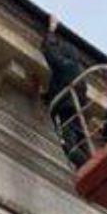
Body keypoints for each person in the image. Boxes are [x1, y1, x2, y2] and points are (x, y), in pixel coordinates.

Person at [41, 16, 94, 168]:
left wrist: (51, 30)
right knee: (83, 142)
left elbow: (50, 52)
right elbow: (59, 87)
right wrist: (45, 95)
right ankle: (91, 165)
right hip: (76, 112)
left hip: (65, 111)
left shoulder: (65, 66)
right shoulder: (77, 74)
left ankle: (87, 168)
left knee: (69, 148)